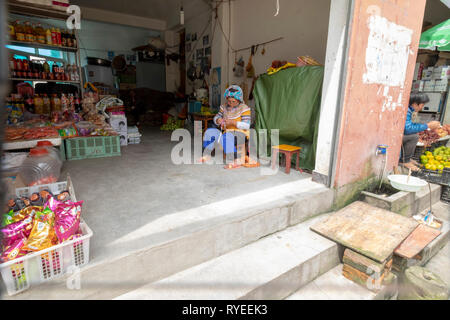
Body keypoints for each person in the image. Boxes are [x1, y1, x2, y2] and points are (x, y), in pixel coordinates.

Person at [202, 85, 251, 167]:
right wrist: (218, 120)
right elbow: (217, 117)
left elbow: (246, 125)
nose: (231, 104)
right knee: (209, 132)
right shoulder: (224, 107)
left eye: (233, 101)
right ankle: (207, 155)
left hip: (241, 133)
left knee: (226, 137)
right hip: (226, 133)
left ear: (239, 100)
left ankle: (235, 160)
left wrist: (233, 123)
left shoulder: (244, 108)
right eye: (229, 101)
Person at [400, 93, 441, 171]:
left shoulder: (411, 111)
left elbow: (413, 124)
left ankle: (407, 158)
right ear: (415, 104)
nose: (422, 108)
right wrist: (427, 126)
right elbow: (407, 129)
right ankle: (404, 161)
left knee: (414, 134)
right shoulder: (407, 111)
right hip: (397, 136)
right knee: (414, 137)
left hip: (400, 135)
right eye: (422, 105)